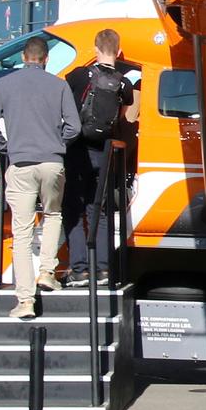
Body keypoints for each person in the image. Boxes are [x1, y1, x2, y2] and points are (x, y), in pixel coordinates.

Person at [0, 36, 80, 319]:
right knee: (53, 214)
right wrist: (58, 144)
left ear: (24, 58)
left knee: (21, 235)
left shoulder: (4, 84)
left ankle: (25, 302)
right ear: (46, 59)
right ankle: (48, 272)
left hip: (21, 163)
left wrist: (6, 148)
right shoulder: (59, 85)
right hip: (52, 161)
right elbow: (73, 127)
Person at [63, 28, 138, 286]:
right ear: (117, 52)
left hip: (78, 150)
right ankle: (104, 269)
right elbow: (124, 111)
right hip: (105, 152)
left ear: (95, 49)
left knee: (73, 208)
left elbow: (65, 102)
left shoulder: (79, 75)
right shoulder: (124, 84)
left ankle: (80, 269)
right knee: (102, 212)